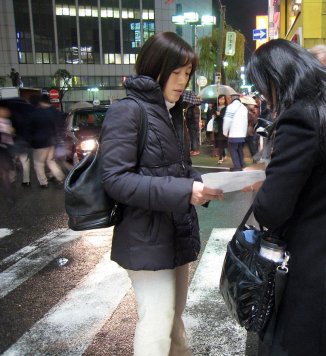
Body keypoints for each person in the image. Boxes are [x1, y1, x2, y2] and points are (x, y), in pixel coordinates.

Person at [247, 39, 326, 355]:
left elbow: (271, 210)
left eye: (265, 89)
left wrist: (267, 181)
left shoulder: (303, 116)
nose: (267, 98)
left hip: (315, 278)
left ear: (277, 79)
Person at [100, 32, 223, 356]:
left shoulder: (172, 112)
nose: (183, 81)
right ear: (156, 67)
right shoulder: (128, 112)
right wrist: (185, 189)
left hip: (174, 232)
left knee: (171, 320)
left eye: (187, 74)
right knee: (157, 320)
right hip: (143, 236)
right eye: (177, 72)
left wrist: (205, 186)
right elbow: (115, 179)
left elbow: (178, 170)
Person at [28, 94, 65, 188]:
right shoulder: (55, 112)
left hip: (39, 143)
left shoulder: (36, 113)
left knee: (38, 163)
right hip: (51, 141)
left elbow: (30, 129)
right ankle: (60, 177)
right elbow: (59, 126)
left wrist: (30, 141)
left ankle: (44, 183)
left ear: (40, 102)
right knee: (50, 161)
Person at [222, 94, 248, 171]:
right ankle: (242, 164)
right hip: (242, 134)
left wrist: (225, 132)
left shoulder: (230, 107)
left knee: (233, 150)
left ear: (231, 99)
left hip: (234, 133)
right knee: (239, 149)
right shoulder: (244, 108)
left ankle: (237, 166)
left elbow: (227, 121)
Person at [214, 94, 228, 164]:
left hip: (223, 127)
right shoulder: (216, 107)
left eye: (223, 99)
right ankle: (224, 154)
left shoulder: (227, 108)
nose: (221, 100)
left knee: (221, 142)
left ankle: (220, 158)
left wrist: (220, 115)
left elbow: (226, 117)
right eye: (220, 99)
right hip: (217, 128)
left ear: (225, 100)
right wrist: (215, 115)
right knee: (220, 142)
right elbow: (213, 115)